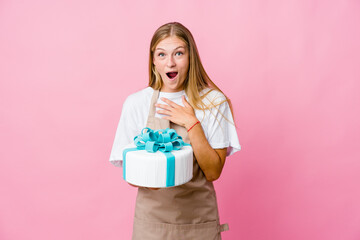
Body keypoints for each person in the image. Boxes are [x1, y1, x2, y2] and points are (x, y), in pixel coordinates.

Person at [109, 22, 241, 240]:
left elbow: (213, 172)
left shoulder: (213, 102)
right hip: (152, 224)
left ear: (191, 58)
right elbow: (130, 172)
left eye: (178, 53)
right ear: (153, 61)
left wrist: (192, 123)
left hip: (198, 224)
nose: (170, 62)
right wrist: (156, 175)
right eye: (161, 55)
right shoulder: (136, 103)